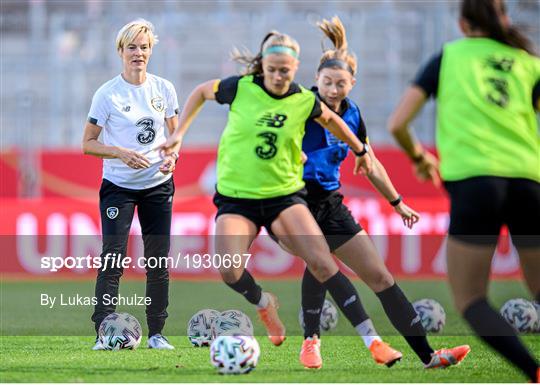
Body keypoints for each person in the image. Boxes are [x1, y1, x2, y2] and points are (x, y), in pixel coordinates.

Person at [160, 30, 389, 352]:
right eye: (272, 69)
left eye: (285, 70)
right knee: (228, 270)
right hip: (238, 198)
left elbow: (334, 122)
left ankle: (371, 340)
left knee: (322, 262)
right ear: (263, 66)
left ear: (295, 67)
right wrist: (180, 133)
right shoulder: (239, 88)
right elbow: (199, 92)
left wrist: (361, 152)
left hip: (284, 197)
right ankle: (263, 300)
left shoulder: (303, 99)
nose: (279, 76)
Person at [270, 16, 470, 370]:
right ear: (315, 81)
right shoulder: (300, 106)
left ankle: (429, 356)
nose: (333, 90)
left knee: (380, 277)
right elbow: (269, 142)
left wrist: (397, 202)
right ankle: (311, 343)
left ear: (352, 83)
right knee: (322, 262)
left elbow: (370, 162)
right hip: (291, 203)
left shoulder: (353, 114)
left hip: (330, 204)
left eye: (340, 84)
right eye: (327, 83)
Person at [387, 0, 540, 381]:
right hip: (528, 181)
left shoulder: (448, 58)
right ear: (503, 19)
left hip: (476, 184)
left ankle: (535, 373)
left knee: (471, 299)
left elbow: (398, 123)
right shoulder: (528, 63)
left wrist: (420, 157)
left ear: (462, 23)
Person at [82, 19, 179, 350]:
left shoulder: (164, 89)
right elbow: (88, 143)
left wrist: (172, 157)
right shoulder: (107, 94)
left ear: (152, 50)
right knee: (113, 257)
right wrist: (120, 153)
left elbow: (174, 137)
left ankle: (157, 333)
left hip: (159, 185)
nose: (139, 53)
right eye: (132, 47)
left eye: (144, 47)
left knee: (157, 260)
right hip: (118, 187)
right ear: (121, 51)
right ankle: (103, 332)